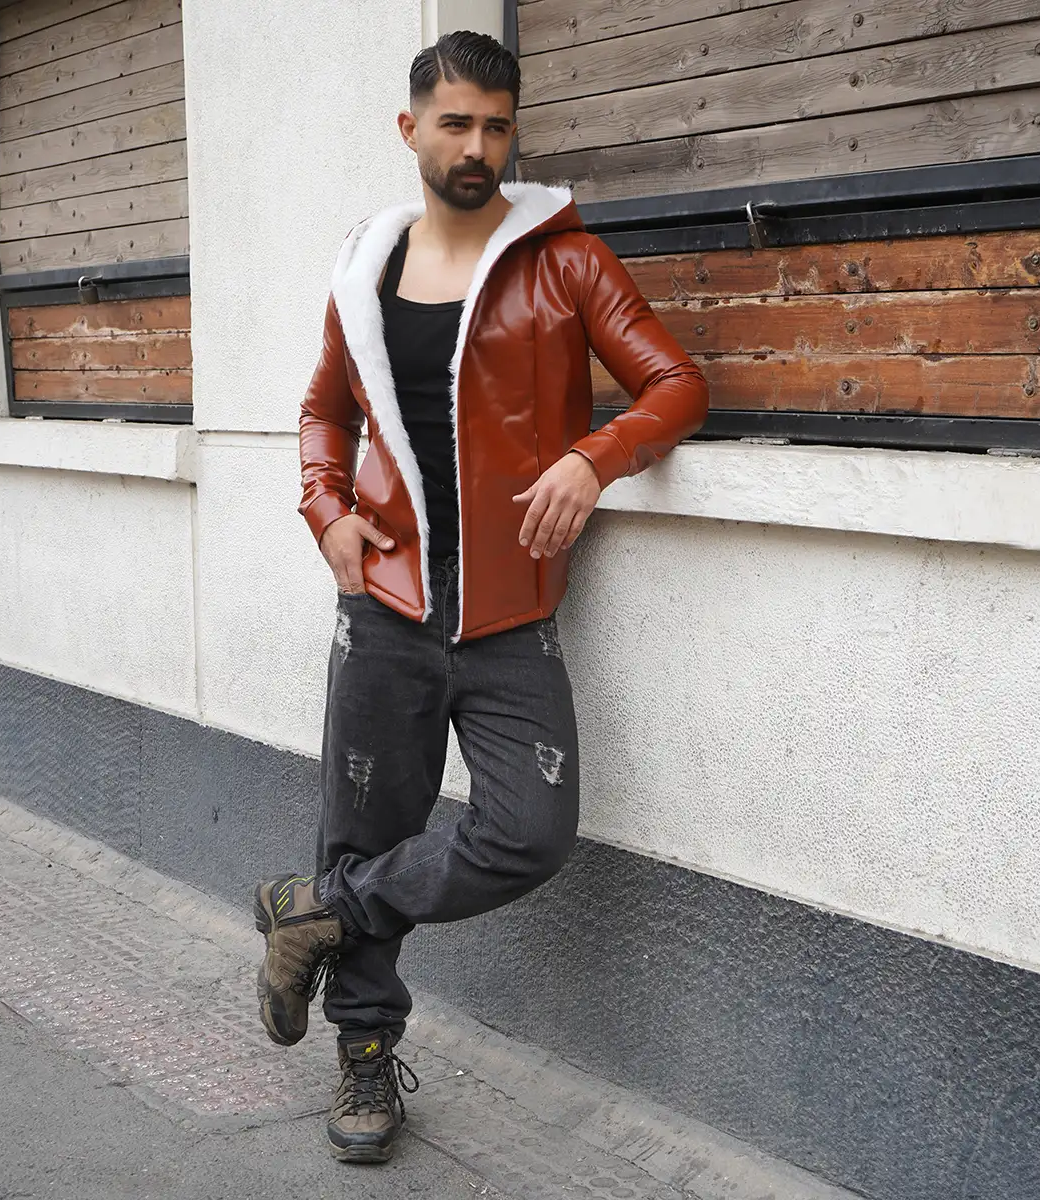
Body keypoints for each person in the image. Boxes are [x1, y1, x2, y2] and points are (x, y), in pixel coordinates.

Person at [253, 30, 709, 1165]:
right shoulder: (365, 272)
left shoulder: (567, 264)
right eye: (456, 123)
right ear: (410, 129)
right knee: (367, 827)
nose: (477, 147)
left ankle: (318, 908)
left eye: (497, 127)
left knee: (530, 831)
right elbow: (323, 412)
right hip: (387, 602)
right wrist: (325, 510)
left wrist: (594, 459)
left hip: (510, 612)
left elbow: (674, 384)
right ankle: (366, 1058)